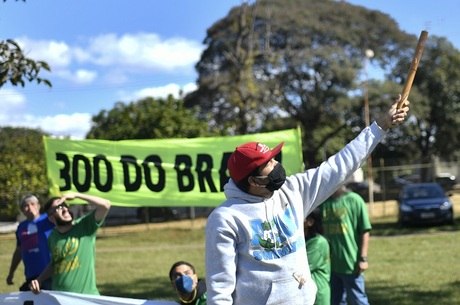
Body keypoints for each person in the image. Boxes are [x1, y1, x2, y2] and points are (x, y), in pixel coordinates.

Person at [205, 96, 409, 305]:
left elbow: (341, 164)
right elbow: (220, 289)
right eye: (269, 164)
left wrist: (380, 126)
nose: (277, 165)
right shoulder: (225, 219)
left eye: (274, 158)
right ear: (254, 181)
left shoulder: (293, 191)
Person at [29, 192, 111, 295]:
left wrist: (77, 195)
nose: (64, 209)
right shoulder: (52, 237)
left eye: (65, 205)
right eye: (58, 207)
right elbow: (55, 264)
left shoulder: (85, 226)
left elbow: (106, 205)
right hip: (60, 298)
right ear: (51, 218)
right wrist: (39, 280)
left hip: (86, 298)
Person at [320, 185, 371, 305]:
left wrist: (363, 258)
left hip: (350, 263)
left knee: (358, 300)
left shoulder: (354, 200)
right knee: (335, 301)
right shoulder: (323, 203)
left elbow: (365, 231)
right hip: (330, 265)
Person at [6, 194, 54, 291]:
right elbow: (19, 250)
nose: (30, 208)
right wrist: (11, 273)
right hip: (31, 274)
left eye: (33, 204)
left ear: (38, 206)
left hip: (49, 273)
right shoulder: (21, 227)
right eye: (26, 206)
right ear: (22, 210)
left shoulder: (49, 220)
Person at [304, 208, 331, 305]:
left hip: (318, 293)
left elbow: (303, 267)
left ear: (310, 222)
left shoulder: (318, 243)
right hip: (306, 291)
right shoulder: (304, 240)